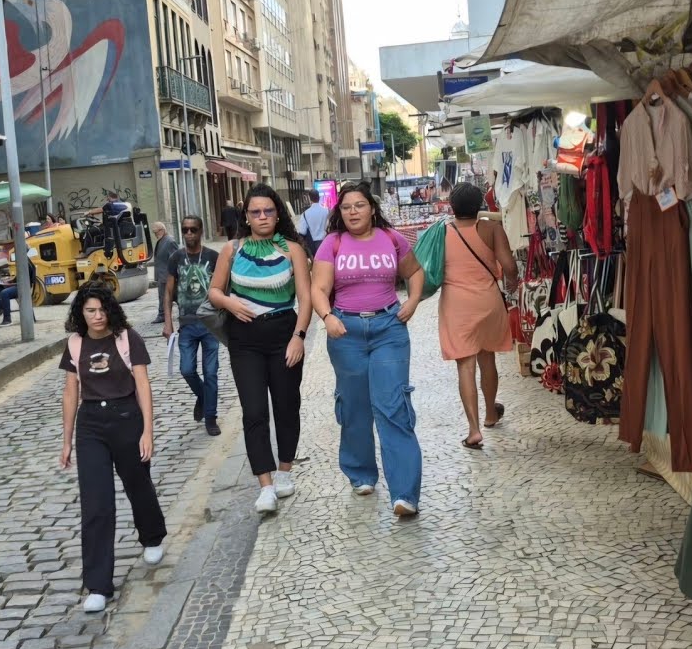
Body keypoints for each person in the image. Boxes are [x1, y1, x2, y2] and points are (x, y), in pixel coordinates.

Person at [311, 181, 424, 516]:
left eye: (359, 205)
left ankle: (405, 494)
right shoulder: (333, 243)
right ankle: (360, 473)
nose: (353, 212)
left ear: (372, 208)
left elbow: (415, 272)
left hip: (389, 328)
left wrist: (413, 300)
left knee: (392, 407)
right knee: (356, 407)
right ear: (339, 212)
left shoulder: (392, 239)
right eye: (346, 207)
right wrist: (327, 316)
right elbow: (319, 288)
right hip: (346, 332)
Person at [59, 284, 166, 614]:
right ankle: (98, 585)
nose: (97, 316)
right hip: (91, 425)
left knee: (138, 484)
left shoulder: (126, 337)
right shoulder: (75, 343)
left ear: (111, 310)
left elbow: (143, 383)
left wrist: (147, 430)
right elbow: (70, 393)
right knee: (96, 504)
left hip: (126, 418)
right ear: (81, 313)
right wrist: (66, 440)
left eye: (102, 309)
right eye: (90, 310)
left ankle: (152, 536)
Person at [208, 184, 312, 514]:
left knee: (286, 405)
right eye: (256, 212)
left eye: (268, 210)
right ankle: (264, 485)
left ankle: (284, 471)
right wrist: (229, 302)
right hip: (245, 339)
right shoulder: (232, 250)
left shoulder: (293, 249)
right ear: (247, 217)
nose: (263, 216)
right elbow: (214, 291)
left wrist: (299, 336)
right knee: (254, 411)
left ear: (277, 213)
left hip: (284, 333)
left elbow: (306, 298)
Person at [440, 183, 518, 450]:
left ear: (452, 207)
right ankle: (490, 414)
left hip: (456, 305)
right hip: (488, 301)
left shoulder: (443, 233)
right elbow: (509, 267)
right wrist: (513, 286)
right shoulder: (492, 229)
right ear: (480, 205)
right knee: (487, 358)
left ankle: (473, 430)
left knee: (465, 365)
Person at [162, 215, 222, 436]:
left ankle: (211, 417)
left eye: (193, 230)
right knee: (186, 369)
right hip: (186, 324)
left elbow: (224, 289)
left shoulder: (213, 257)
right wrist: (168, 322)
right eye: (185, 230)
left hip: (210, 325)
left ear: (200, 231)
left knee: (211, 373)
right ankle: (203, 397)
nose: (189, 234)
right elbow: (168, 293)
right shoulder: (176, 258)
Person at [0, 255, 38, 326]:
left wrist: (9, 284)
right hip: (17, 285)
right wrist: (9, 281)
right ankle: (2, 307)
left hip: (23, 288)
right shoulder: (22, 259)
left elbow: (24, 282)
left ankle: (7, 319)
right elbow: (18, 278)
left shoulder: (25, 263)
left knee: (4, 293)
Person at [150, 222, 179, 325]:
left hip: (167, 275)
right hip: (162, 275)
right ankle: (163, 314)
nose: (155, 235)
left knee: (171, 295)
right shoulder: (161, 241)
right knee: (167, 296)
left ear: (162, 230)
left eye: (156, 232)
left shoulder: (170, 241)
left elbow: (175, 259)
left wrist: (174, 275)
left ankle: (162, 314)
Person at [296, 189, 330, 257]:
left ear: (309, 198)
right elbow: (329, 226)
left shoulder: (305, 214)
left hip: (312, 245)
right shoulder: (327, 211)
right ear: (319, 197)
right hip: (325, 243)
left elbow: (303, 231)